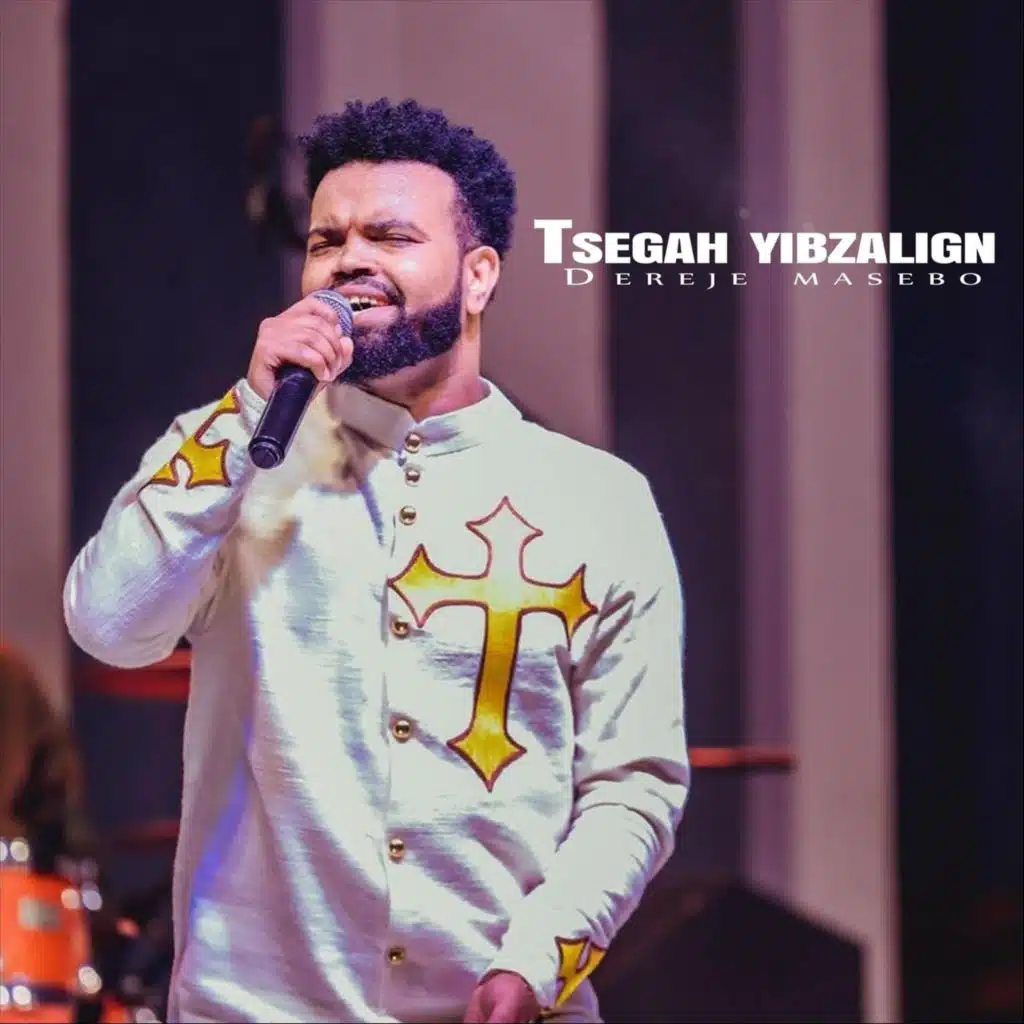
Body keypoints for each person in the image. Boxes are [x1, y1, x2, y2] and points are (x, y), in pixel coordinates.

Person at [63, 98, 690, 1024]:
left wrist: (538, 963)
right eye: (327, 241)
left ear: (478, 276)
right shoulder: (232, 453)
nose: (349, 260)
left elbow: (634, 785)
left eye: (390, 236)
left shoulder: (598, 500)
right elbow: (108, 625)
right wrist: (245, 414)